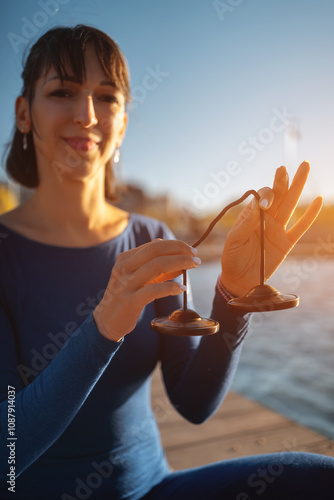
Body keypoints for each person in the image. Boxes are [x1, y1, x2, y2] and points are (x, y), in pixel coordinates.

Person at [0, 25, 332, 500]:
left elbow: (194, 403)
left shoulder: (151, 237)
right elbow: (6, 454)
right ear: (24, 113)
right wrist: (102, 328)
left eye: (107, 97)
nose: (87, 114)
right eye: (62, 92)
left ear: (124, 124)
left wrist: (233, 296)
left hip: (150, 489)